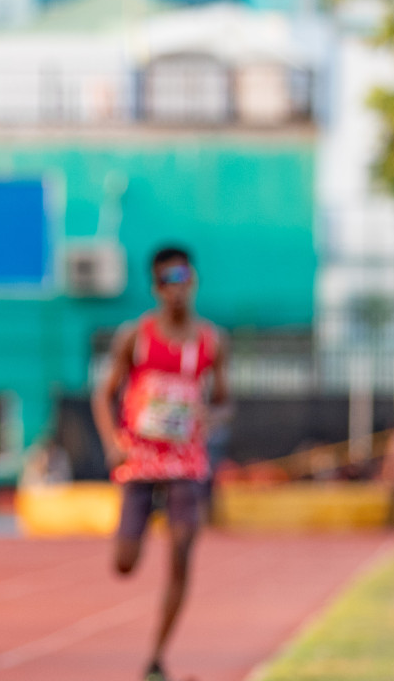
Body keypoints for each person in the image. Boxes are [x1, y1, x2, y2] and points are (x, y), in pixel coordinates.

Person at [92, 246, 229, 681]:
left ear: (194, 282)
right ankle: (144, 519)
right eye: (167, 280)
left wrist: (211, 416)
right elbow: (103, 393)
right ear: (156, 288)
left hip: (186, 462)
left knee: (184, 549)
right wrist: (113, 441)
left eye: (183, 278)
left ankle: (156, 658)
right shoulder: (137, 337)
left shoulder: (211, 342)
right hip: (140, 459)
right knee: (125, 563)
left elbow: (226, 403)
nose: (177, 288)